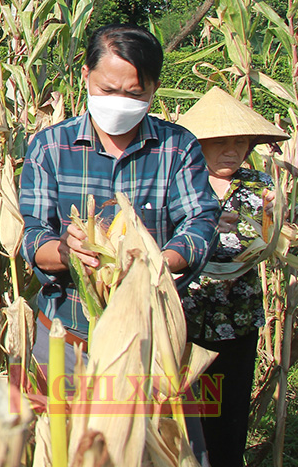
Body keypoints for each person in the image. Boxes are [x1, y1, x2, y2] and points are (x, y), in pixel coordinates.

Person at [19, 24, 220, 363]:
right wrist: (67, 252)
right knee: (56, 418)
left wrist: (152, 266)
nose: (119, 103)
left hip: (151, 336)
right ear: (86, 74)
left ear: (154, 87)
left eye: (134, 94)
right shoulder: (50, 147)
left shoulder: (178, 147)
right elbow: (33, 236)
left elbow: (201, 223)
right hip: (66, 336)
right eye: (108, 89)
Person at [177, 86, 287, 467]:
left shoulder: (261, 188)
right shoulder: (180, 185)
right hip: (183, 318)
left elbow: (269, 240)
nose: (231, 150)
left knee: (227, 413)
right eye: (220, 141)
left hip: (236, 320)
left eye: (240, 141)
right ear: (198, 143)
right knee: (182, 413)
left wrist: (275, 221)